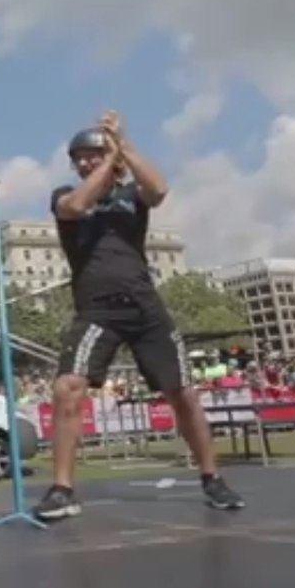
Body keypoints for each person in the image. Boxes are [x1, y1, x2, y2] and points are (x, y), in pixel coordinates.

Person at [33, 110, 245, 521]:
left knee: (182, 392)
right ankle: (62, 489)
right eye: (77, 157)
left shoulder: (131, 197)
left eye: (90, 154)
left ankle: (212, 479)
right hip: (97, 311)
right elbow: (77, 204)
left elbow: (160, 188)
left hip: (146, 308)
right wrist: (109, 162)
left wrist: (123, 147)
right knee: (67, 388)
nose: (83, 162)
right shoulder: (65, 194)